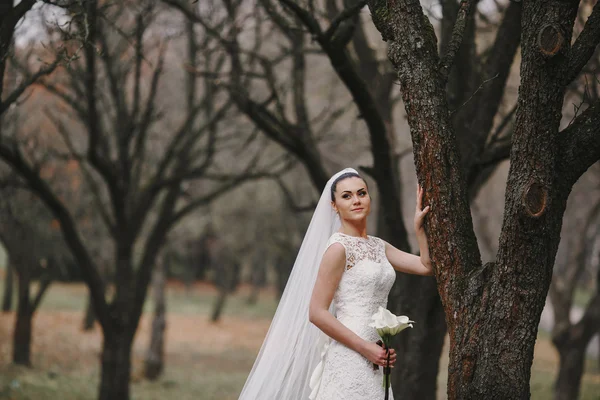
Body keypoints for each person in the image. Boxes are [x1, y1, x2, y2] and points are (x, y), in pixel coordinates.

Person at [238, 168, 432, 400]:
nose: (356, 200)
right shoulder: (338, 249)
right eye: (347, 196)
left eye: (361, 193)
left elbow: (425, 267)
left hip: (377, 357)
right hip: (351, 355)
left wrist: (419, 229)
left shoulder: (379, 246)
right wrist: (365, 348)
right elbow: (316, 312)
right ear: (334, 205)